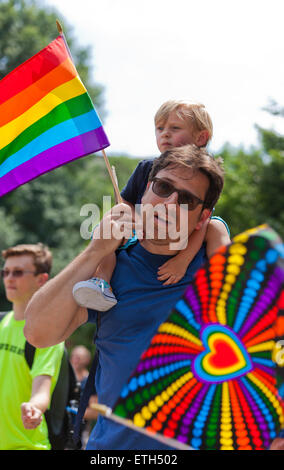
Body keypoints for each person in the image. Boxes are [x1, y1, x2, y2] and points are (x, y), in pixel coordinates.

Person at [24, 145, 227, 450]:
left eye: (186, 200)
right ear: (146, 190)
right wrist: (95, 251)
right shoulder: (109, 264)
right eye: (163, 187)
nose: (170, 203)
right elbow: (38, 332)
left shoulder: (217, 266)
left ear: (202, 218)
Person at [72, 100, 230, 311]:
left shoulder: (203, 176)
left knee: (215, 227)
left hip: (184, 232)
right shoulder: (147, 167)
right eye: (160, 128)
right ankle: (101, 280)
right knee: (112, 221)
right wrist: (130, 222)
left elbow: (203, 222)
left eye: (175, 128)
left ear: (201, 137)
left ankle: (226, 282)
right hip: (144, 228)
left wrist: (182, 261)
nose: (165, 134)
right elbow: (126, 202)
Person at [0, 243, 64, 450]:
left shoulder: (49, 331)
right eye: (6, 271)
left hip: (26, 444)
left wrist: (34, 408)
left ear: (41, 279)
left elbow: (42, 390)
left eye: (18, 272)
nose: (9, 278)